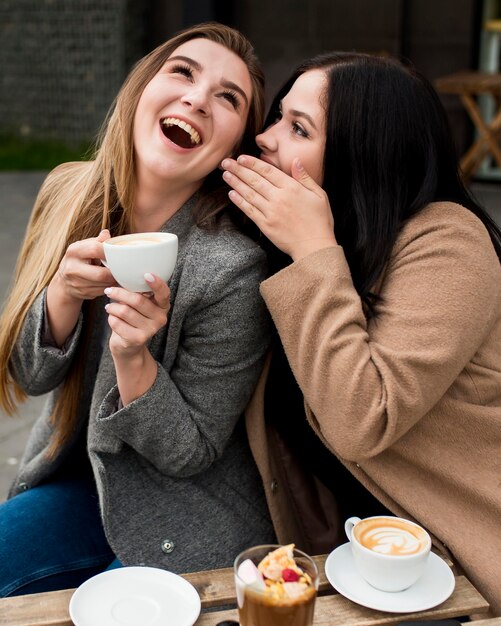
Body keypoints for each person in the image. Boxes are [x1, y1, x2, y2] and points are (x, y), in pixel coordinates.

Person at [0, 22, 276, 597]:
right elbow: (29, 375)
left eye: (229, 98)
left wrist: (134, 358)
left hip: (184, 511)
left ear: (235, 147)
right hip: (79, 481)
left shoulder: (231, 267)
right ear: (140, 88)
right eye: (182, 72)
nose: (197, 99)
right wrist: (63, 296)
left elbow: (190, 452)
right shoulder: (68, 195)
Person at [221, 52, 501, 614]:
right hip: (358, 568)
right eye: (277, 117)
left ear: (362, 154)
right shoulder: (308, 243)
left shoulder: (448, 241)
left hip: (462, 571)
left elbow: (359, 420)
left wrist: (313, 250)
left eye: (297, 127)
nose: (265, 138)